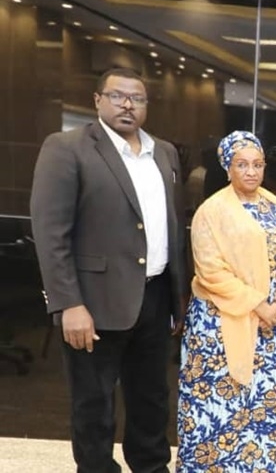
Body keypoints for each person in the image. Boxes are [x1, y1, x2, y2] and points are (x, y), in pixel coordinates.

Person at [30, 67, 189, 472]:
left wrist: (176, 299)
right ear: (97, 100)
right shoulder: (67, 148)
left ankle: (151, 467)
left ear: (146, 106)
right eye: (117, 96)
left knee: (152, 400)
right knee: (94, 404)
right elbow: (52, 234)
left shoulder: (165, 153)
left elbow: (171, 227)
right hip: (93, 303)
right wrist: (69, 304)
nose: (127, 105)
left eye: (136, 98)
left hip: (154, 299)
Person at [176, 131, 276, 471]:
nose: (251, 171)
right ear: (228, 167)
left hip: (269, 328)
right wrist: (258, 304)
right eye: (242, 164)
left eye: (257, 164)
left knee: (264, 406)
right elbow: (210, 272)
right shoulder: (211, 211)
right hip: (219, 327)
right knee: (219, 406)